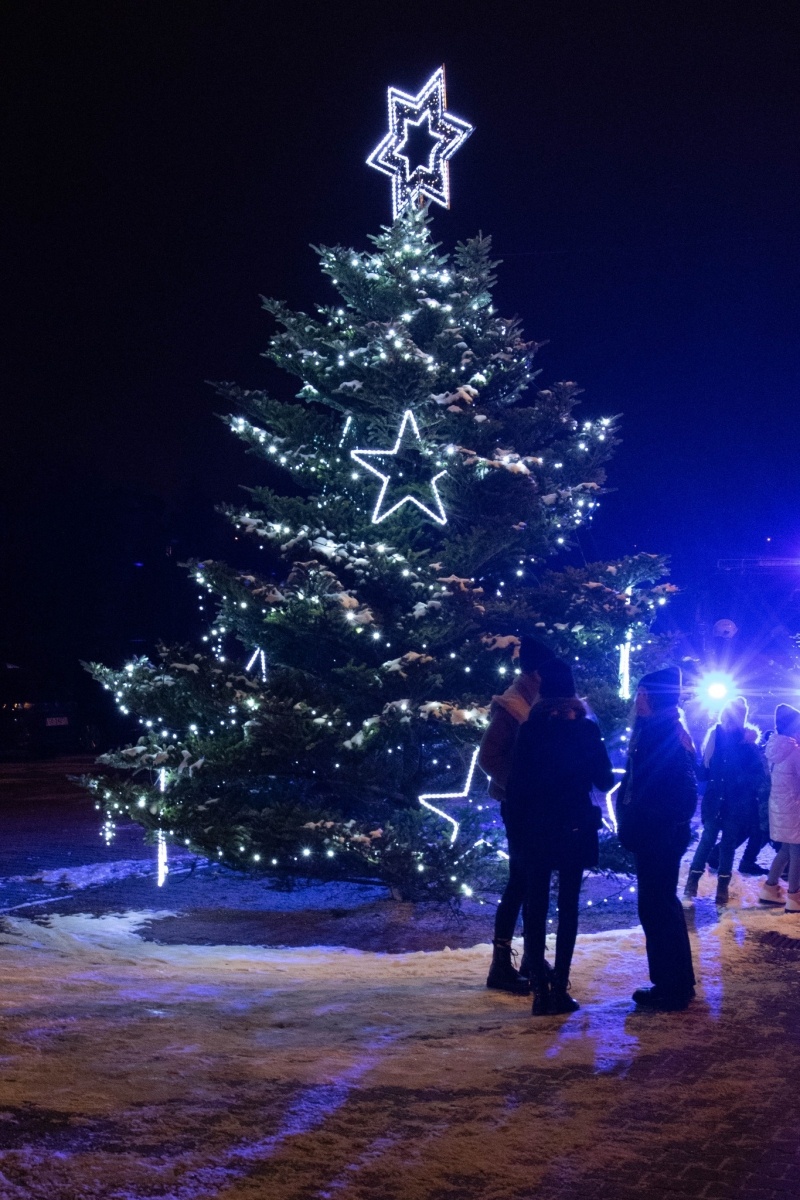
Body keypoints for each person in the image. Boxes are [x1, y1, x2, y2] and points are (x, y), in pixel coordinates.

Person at [506, 659, 613, 1016]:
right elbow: (604, 780)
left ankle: (539, 989)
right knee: (568, 906)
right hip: (574, 826)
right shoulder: (585, 730)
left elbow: (517, 784)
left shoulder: (530, 730)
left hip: (537, 827)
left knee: (535, 905)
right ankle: (560, 985)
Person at [617, 667, 698, 1011]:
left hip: (659, 835)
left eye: (642, 694)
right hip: (658, 833)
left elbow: (677, 791)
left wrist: (650, 822)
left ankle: (671, 985)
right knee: (660, 904)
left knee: (657, 905)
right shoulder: (659, 729)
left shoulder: (661, 734)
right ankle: (675, 981)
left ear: (651, 697)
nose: (637, 700)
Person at [478, 636, 555, 994]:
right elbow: (489, 757)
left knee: (533, 882)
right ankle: (500, 964)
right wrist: (520, 783)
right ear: (535, 673)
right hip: (520, 807)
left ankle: (530, 956)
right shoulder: (512, 709)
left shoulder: (538, 703)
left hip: (538, 806)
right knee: (520, 883)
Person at [683, 697, 769, 904]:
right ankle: (692, 882)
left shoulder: (746, 741)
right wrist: (691, 755)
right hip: (716, 799)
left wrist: (740, 780)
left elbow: (758, 774)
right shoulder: (716, 735)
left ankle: (720, 888)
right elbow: (704, 772)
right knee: (709, 840)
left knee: (727, 844)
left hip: (734, 802)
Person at [758, 705, 800, 912]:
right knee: (797, 852)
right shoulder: (794, 752)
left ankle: (770, 888)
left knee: (786, 849)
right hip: (795, 807)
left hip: (779, 806)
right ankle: (795, 897)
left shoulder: (774, 749)